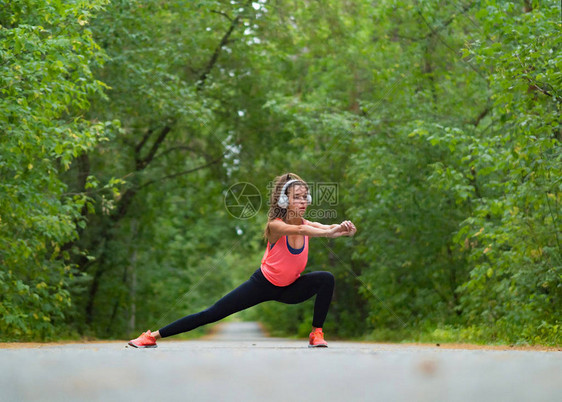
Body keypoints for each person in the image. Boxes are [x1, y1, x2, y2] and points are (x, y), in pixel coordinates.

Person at [128, 173, 357, 348]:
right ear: (284, 201)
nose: (302, 201)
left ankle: (317, 333)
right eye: (296, 197)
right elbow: (311, 231)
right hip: (262, 285)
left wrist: (343, 229)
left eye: (304, 197)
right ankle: (151, 336)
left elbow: (328, 229)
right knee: (211, 314)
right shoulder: (275, 225)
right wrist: (330, 231)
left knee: (326, 278)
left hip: (290, 289)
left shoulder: (310, 224)